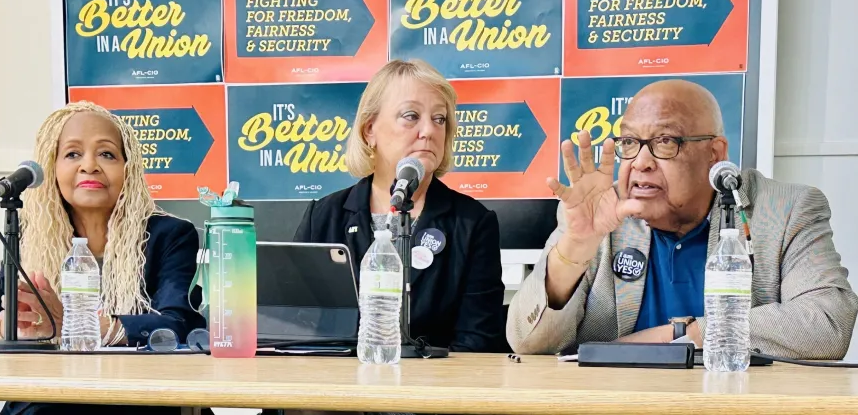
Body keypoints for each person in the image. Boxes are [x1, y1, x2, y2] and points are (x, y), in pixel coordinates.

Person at [507, 79, 858, 359]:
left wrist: (681, 336)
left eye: (664, 141)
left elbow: (827, 324)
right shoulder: (599, 211)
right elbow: (527, 343)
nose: (641, 162)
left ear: (714, 153)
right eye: (629, 142)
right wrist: (575, 248)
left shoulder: (785, 210)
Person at [0, 101, 210, 415]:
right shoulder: (28, 233)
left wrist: (69, 324)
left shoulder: (170, 235)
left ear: (129, 168)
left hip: (140, 400)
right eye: (72, 154)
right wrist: (10, 326)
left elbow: (179, 325)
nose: (90, 166)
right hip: (48, 398)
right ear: (51, 167)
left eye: (107, 154)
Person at [293, 59, 506, 352]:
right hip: (339, 389)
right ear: (370, 130)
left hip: (432, 392)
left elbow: (478, 344)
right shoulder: (324, 217)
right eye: (411, 116)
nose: (429, 131)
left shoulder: (472, 223)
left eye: (439, 119)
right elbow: (294, 327)